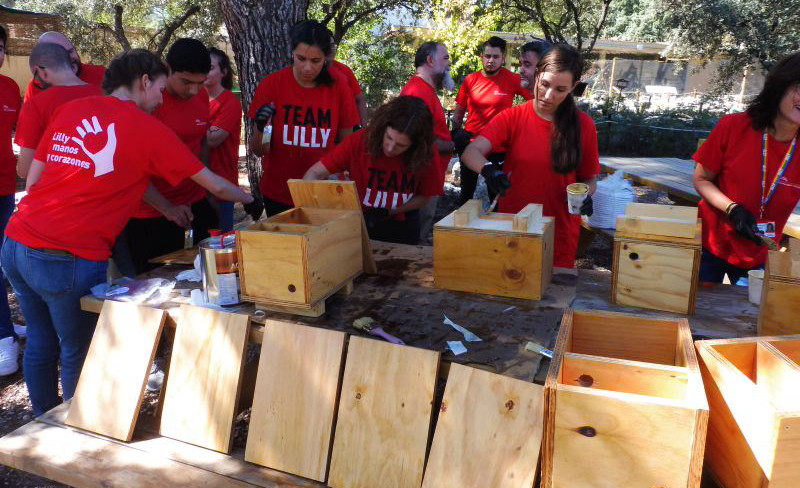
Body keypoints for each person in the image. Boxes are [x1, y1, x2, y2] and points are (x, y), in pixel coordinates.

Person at [0, 48, 253, 417]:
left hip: (17, 240)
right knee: (78, 348)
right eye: (160, 90)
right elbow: (214, 183)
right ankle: (76, 429)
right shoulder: (146, 127)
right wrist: (251, 196)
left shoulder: (72, 110)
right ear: (144, 81)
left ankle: (42, 420)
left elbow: (33, 178)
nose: (160, 100)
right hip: (68, 253)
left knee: (40, 340)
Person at [462, 44, 599, 268]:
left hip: (559, 232)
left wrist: (585, 195)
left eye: (560, 89)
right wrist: (488, 170)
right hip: (514, 228)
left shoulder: (583, 124)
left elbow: (588, 178)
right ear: (537, 75)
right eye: (544, 84)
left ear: (574, 86)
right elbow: (471, 152)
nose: (548, 95)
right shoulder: (514, 117)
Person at [692, 51, 800, 284]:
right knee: (698, 310)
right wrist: (732, 208)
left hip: (760, 252)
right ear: (780, 85)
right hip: (711, 243)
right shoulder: (734, 126)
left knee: (748, 316)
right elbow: (701, 179)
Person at [247, 19, 359, 218]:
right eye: (301, 58)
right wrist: (264, 129)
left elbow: (346, 144)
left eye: (316, 61)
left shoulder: (339, 86)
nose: (307, 68)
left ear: (326, 58)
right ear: (292, 53)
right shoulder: (272, 85)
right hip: (279, 193)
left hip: (323, 193)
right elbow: (260, 149)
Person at [122, 38, 215, 274]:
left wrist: (206, 190)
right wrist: (167, 208)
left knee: (203, 277)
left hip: (193, 205)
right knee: (155, 288)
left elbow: (201, 141)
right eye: (186, 82)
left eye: (200, 83)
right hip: (149, 213)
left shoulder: (200, 96)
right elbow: (129, 168)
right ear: (167, 68)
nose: (193, 90)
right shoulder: (147, 100)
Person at [303, 95, 438, 244]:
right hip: (360, 221)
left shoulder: (426, 153)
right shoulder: (360, 141)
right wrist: (309, 210)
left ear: (415, 145)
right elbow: (314, 172)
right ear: (383, 128)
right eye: (389, 138)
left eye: (401, 145)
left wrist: (389, 211)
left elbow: (425, 197)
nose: (391, 147)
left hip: (402, 224)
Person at [451, 36, 533, 205]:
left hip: (499, 147)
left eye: (496, 57)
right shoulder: (470, 80)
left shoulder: (512, 79)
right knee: (466, 194)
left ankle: (497, 230)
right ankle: (463, 229)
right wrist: (456, 136)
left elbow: (534, 102)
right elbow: (458, 114)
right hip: (472, 145)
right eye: (487, 56)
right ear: (481, 56)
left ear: (503, 58)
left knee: (497, 197)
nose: (491, 61)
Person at [16, 42, 104, 178]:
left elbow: (25, 170)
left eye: (35, 77)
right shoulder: (106, 97)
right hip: (101, 189)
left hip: (56, 192)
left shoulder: (36, 105)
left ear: (41, 71)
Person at [400, 41, 455, 241]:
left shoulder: (425, 90)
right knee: (416, 240)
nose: (449, 63)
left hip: (429, 178)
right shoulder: (418, 91)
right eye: (446, 57)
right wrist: (454, 144)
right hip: (421, 180)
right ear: (430, 60)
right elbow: (415, 138)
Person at [0, 25, 22, 377]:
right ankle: (5, 340)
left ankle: (8, 327)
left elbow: (25, 132)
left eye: (1, 46)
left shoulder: (9, 87)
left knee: (10, 260)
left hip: (6, 188)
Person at [205, 47, 242, 232]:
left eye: (210, 67)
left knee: (221, 240)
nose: (204, 71)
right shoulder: (193, 100)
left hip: (222, 181)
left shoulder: (230, 102)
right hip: (195, 184)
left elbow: (213, 139)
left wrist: (188, 125)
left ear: (223, 72)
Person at [23, 31, 105, 101]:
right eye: (59, 56)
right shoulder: (36, 87)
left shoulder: (100, 74)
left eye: (70, 52)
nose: (68, 59)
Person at [327, 34, 367, 127]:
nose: (331, 49)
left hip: (350, 125)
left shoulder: (344, 70)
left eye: (333, 46)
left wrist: (364, 129)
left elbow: (360, 99)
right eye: (327, 46)